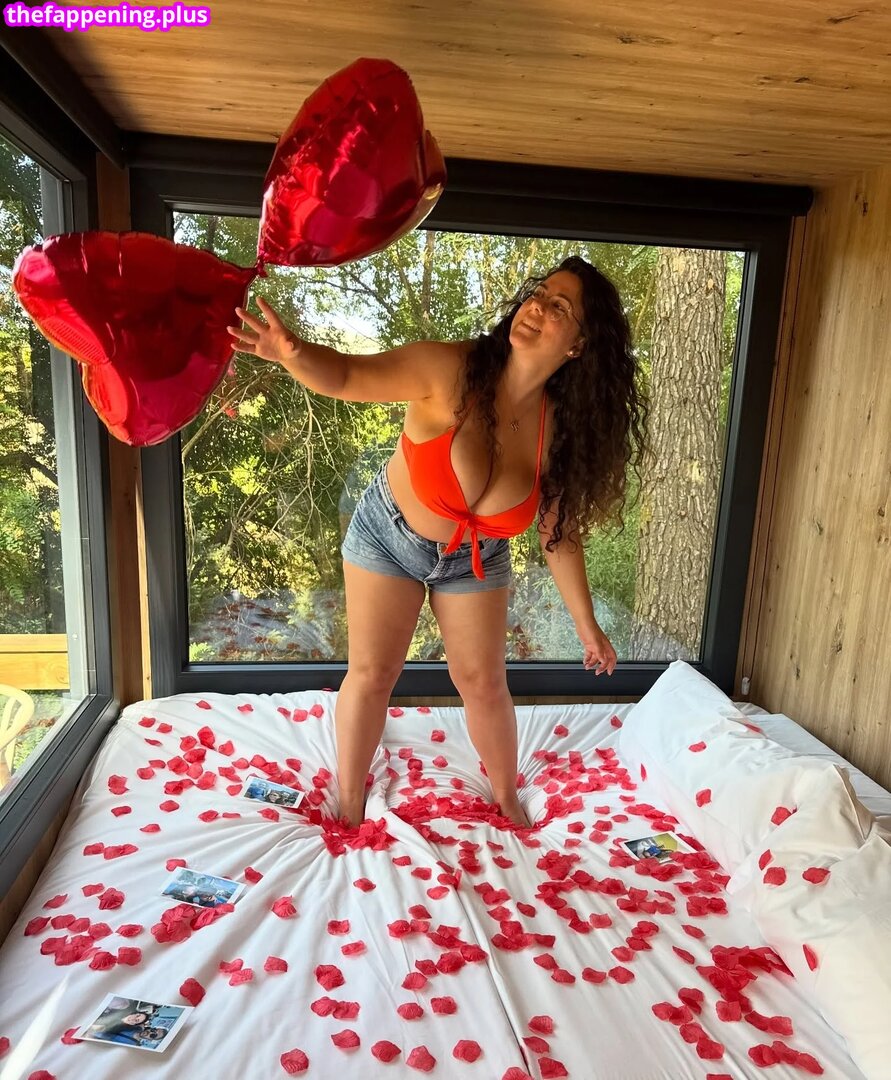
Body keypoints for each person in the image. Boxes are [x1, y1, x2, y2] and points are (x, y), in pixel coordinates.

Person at [227, 255, 650, 828]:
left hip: (476, 559)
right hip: (388, 537)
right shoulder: (450, 368)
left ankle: (507, 799)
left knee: (484, 683)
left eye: (559, 307)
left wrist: (586, 624)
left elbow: (558, 530)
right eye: (538, 293)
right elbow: (348, 376)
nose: (536, 307)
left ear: (579, 345)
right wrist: (292, 353)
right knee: (373, 675)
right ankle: (348, 803)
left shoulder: (559, 428)